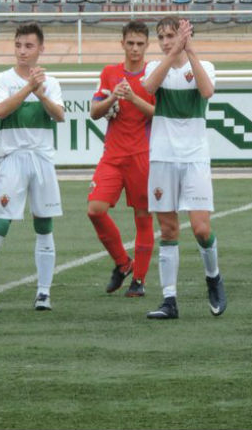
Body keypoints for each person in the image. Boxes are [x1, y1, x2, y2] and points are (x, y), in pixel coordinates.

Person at [0, 23, 65, 313]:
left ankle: (43, 293)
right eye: (19, 45)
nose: (23, 51)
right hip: (13, 158)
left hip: (42, 159)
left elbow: (59, 115)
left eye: (29, 46)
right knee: (1, 221)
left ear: (41, 49)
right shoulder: (1, 79)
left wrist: (41, 92)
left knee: (44, 224)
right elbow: (1, 110)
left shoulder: (52, 82)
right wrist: (28, 88)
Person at [140, 17, 223, 319]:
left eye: (171, 36)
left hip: (195, 157)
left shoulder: (203, 65)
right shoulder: (154, 68)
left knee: (201, 229)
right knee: (168, 229)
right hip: (163, 157)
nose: (164, 42)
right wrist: (173, 53)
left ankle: (213, 277)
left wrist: (190, 53)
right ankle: (169, 300)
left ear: (185, 36)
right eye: (161, 37)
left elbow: (207, 91)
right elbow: (148, 87)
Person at [87, 21, 156, 297]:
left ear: (147, 45)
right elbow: (94, 111)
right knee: (95, 209)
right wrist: (112, 98)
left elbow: (159, 114)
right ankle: (122, 262)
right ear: (122, 44)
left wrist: (132, 98)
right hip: (113, 156)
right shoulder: (110, 73)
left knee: (143, 217)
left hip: (142, 156)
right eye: (130, 43)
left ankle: (138, 280)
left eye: (140, 44)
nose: (135, 48)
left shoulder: (152, 76)